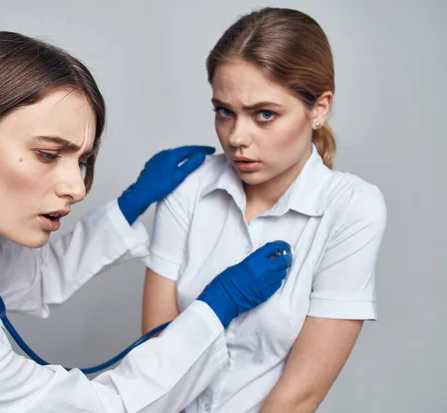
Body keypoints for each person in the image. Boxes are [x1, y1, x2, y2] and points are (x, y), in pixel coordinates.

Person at [0, 31, 293, 413]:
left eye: (82, 160)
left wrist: (129, 206)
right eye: (47, 154)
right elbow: (108, 408)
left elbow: (36, 278)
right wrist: (217, 308)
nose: (77, 188)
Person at [142, 7, 388, 413]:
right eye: (225, 111)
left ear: (319, 108)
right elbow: (156, 353)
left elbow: (297, 398)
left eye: (265, 114)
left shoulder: (351, 209)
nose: (237, 137)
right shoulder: (187, 184)